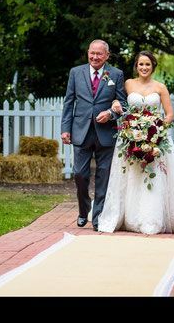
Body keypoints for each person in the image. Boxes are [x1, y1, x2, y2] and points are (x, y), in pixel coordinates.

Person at [97, 51, 174, 235]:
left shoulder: (160, 87)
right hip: (129, 137)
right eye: (141, 64)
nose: (144, 68)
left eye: (147, 65)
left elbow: (169, 114)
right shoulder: (127, 84)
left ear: (153, 67)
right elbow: (118, 101)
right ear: (136, 66)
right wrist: (119, 107)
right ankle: (129, 217)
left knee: (153, 176)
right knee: (132, 175)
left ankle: (150, 219)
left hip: (155, 140)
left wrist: (156, 131)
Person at [61, 39, 127, 231]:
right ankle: (84, 210)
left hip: (106, 133)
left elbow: (123, 104)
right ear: (87, 53)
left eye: (99, 54)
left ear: (107, 55)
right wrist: (65, 128)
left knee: (103, 177)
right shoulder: (76, 72)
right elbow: (69, 102)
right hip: (80, 131)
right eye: (92, 53)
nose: (95, 57)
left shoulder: (116, 74)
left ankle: (98, 217)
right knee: (80, 174)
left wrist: (111, 114)